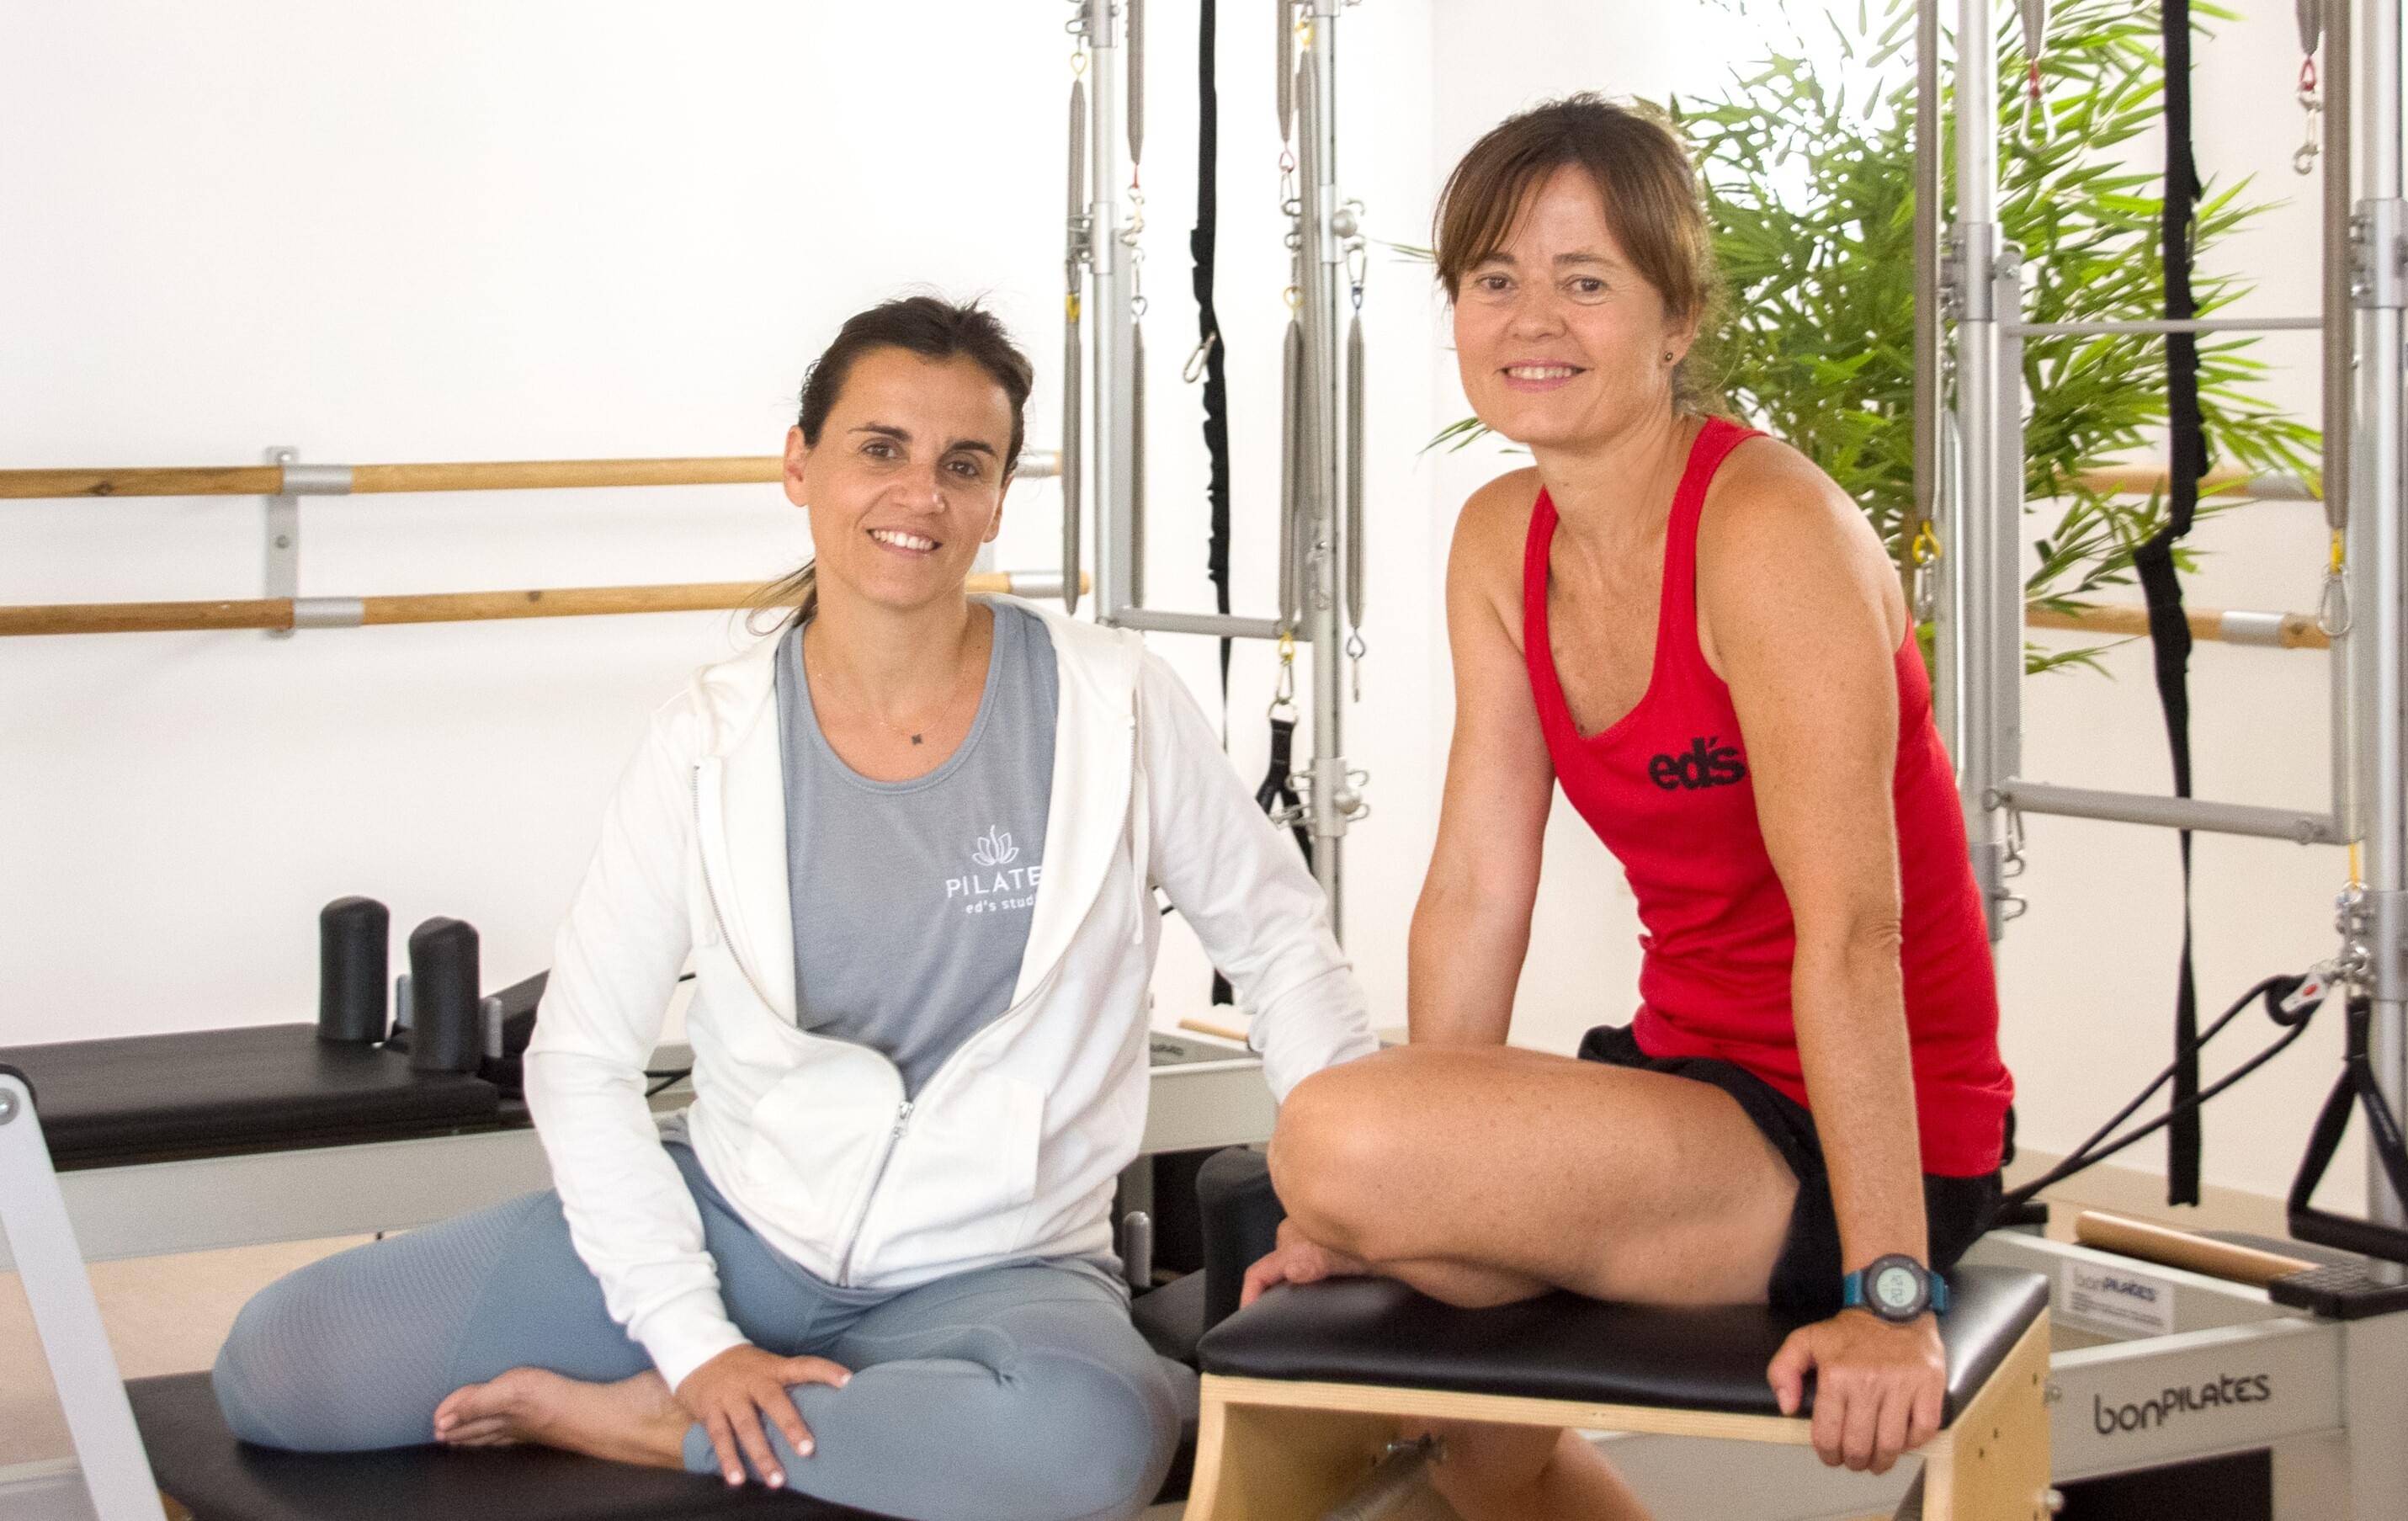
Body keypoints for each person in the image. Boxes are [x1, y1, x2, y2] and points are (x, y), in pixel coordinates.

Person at [211, 295, 1378, 1521]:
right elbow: (582, 1059)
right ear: (800, 464)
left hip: (1000, 1270)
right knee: (284, 1367)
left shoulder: (1115, 705)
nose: (920, 494)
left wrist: (1347, 1201)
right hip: (735, 1229)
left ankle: (647, 1429)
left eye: (963, 464)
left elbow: (1281, 950)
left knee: (1087, 1443)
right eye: (881, 448)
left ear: (996, 500)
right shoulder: (707, 737)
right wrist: (691, 1337)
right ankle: (841, 1421)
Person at [1248, 97, 2016, 1519]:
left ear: (1677, 320)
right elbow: (1479, 885)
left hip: (1866, 1137)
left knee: (1333, 1136)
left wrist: (1889, 1291)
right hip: (1680, 1080)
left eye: (1586, 280)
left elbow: (1854, 934)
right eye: (1495, 279)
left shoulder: (1769, 533)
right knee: (1474, 1444)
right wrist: (1407, 1194)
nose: (1532, 318)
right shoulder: (1499, 539)